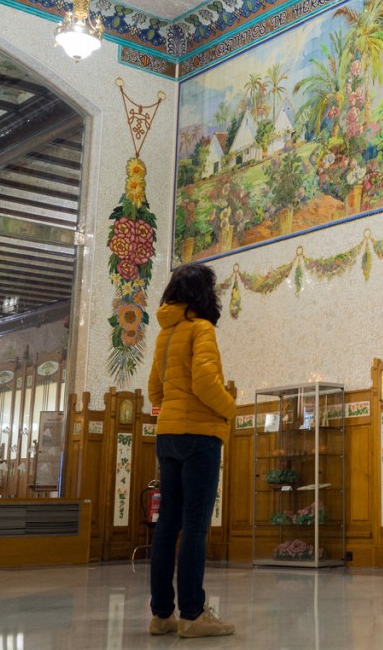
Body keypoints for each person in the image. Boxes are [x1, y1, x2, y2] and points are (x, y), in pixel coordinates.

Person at [146, 264, 237, 639]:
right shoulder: (202, 329)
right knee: (196, 525)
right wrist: (230, 408)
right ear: (203, 294)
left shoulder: (164, 334)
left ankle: (161, 615)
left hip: (167, 435)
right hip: (200, 436)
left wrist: (173, 408)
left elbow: (155, 391)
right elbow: (204, 382)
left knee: (167, 524)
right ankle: (193, 615)